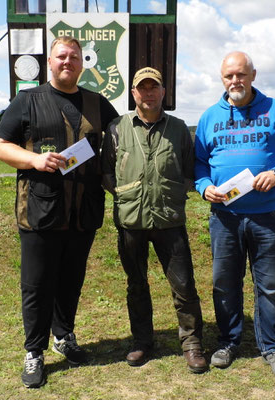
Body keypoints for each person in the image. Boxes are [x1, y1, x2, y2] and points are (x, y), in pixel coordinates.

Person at [0, 36, 118, 388]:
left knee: (71, 280)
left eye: (74, 57)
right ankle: (34, 352)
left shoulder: (97, 103)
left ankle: (64, 336)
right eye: (61, 56)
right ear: (50, 61)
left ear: (82, 63)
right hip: (39, 211)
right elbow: (1, 147)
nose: (68, 61)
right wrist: (34, 159)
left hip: (84, 213)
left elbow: (124, 136)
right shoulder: (27, 100)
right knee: (36, 286)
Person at [194, 51, 275, 379]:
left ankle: (271, 347)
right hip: (225, 218)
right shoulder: (209, 118)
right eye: (229, 76)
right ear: (222, 79)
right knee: (224, 283)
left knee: (269, 285)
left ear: (253, 75)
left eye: (241, 75)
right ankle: (228, 342)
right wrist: (203, 187)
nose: (235, 81)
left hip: (267, 215)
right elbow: (200, 163)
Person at [102, 67, 208, 373]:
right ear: (133, 93)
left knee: (184, 285)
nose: (148, 93)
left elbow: (190, 171)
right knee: (136, 284)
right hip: (130, 222)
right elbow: (106, 171)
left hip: (169, 221)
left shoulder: (178, 128)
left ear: (163, 92)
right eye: (142, 88)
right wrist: (124, 196)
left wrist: (173, 195)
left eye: (154, 87)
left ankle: (192, 345)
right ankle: (142, 342)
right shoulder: (117, 128)